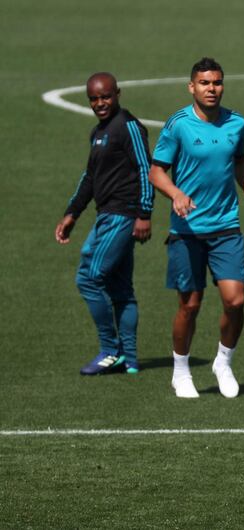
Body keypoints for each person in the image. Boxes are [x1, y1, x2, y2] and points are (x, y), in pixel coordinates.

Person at [148, 57, 244, 399]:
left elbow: (239, 159)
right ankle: (181, 372)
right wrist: (176, 194)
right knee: (190, 305)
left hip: (226, 225)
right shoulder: (178, 125)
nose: (211, 89)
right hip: (186, 230)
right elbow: (156, 171)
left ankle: (223, 362)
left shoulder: (236, 123)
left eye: (216, 83)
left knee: (235, 300)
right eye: (204, 83)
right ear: (192, 87)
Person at [55, 72, 154, 375]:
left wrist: (144, 214)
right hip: (107, 215)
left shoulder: (128, 126)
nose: (100, 103)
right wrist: (73, 212)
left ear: (118, 94)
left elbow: (145, 169)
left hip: (122, 215)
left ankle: (110, 351)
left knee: (89, 278)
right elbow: (90, 177)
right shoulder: (98, 132)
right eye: (94, 99)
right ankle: (131, 360)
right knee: (120, 287)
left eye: (105, 96)